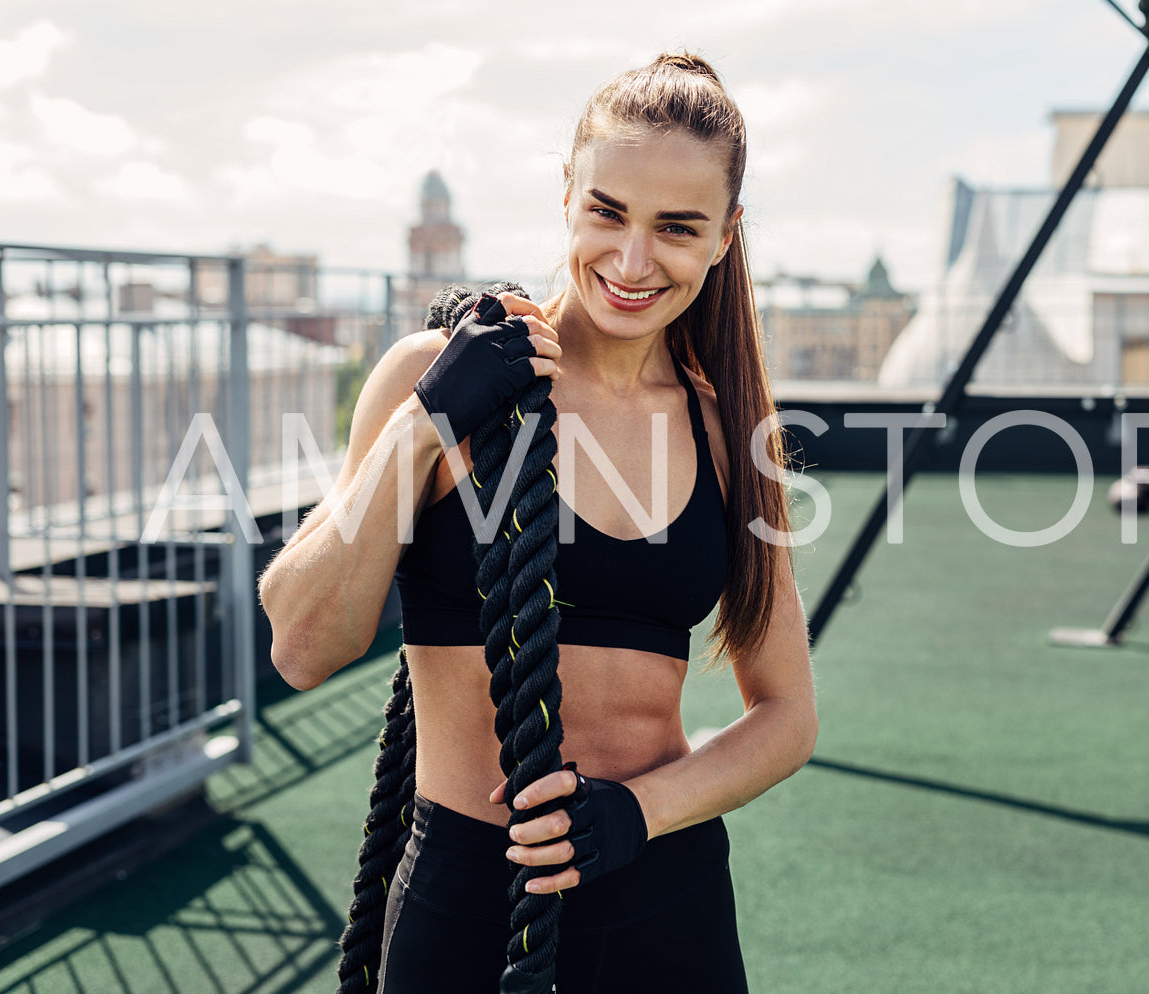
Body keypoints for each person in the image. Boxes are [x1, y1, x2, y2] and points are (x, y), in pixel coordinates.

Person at [257, 52, 817, 993]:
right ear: (567, 193)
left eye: (677, 228)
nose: (633, 262)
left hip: (662, 891)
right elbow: (304, 646)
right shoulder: (431, 373)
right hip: (462, 899)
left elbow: (787, 717)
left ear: (726, 236)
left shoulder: (726, 432)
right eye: (608, 212)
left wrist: (636, 812)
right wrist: (426, 421)